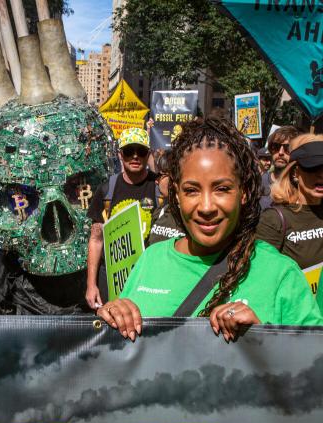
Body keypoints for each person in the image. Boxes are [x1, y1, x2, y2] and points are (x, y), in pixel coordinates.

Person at [98, 118, 322, 342]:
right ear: (176, 194)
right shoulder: (151, 259)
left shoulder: (281, 274)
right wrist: (112, 318)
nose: (206, 207)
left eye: (222, 189)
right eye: (192, 190)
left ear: (243, 192)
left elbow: (311, 366)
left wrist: (262, 340)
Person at [85, 127, 158, 309]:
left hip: (148, 276)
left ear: (148, 154)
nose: (135, 157)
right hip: (112, 277)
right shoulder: (106, 190)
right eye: (128, 151)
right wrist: (91, 285)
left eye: (140, 151)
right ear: (120, 155)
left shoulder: (159, 187)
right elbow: (96, 239)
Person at [256, 133, 323, 270]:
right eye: (313, 167)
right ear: (295, 173)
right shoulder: (273, 220)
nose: (321, 174)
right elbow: (262, 275)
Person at [148, 151, 185, 246]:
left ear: (173, 176)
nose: (156, 182)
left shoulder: (189, 214)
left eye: (159, 176)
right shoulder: (160, 211)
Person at [260, 126, 300, 209]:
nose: (281, 152)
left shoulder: (302, 186)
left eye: (287, 148)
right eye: (276, 146)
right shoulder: (259, 182)